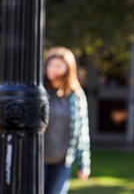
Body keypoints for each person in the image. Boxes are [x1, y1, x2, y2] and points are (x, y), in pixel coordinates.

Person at [44, 47, 91, 194]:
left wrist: (83, 164)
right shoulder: (40, 92)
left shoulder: (76, 95)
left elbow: (83, 131)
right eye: (50, 65)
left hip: (62, 161)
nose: (53, 70)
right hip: (38, 160)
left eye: (58, 66)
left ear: (68, 69)